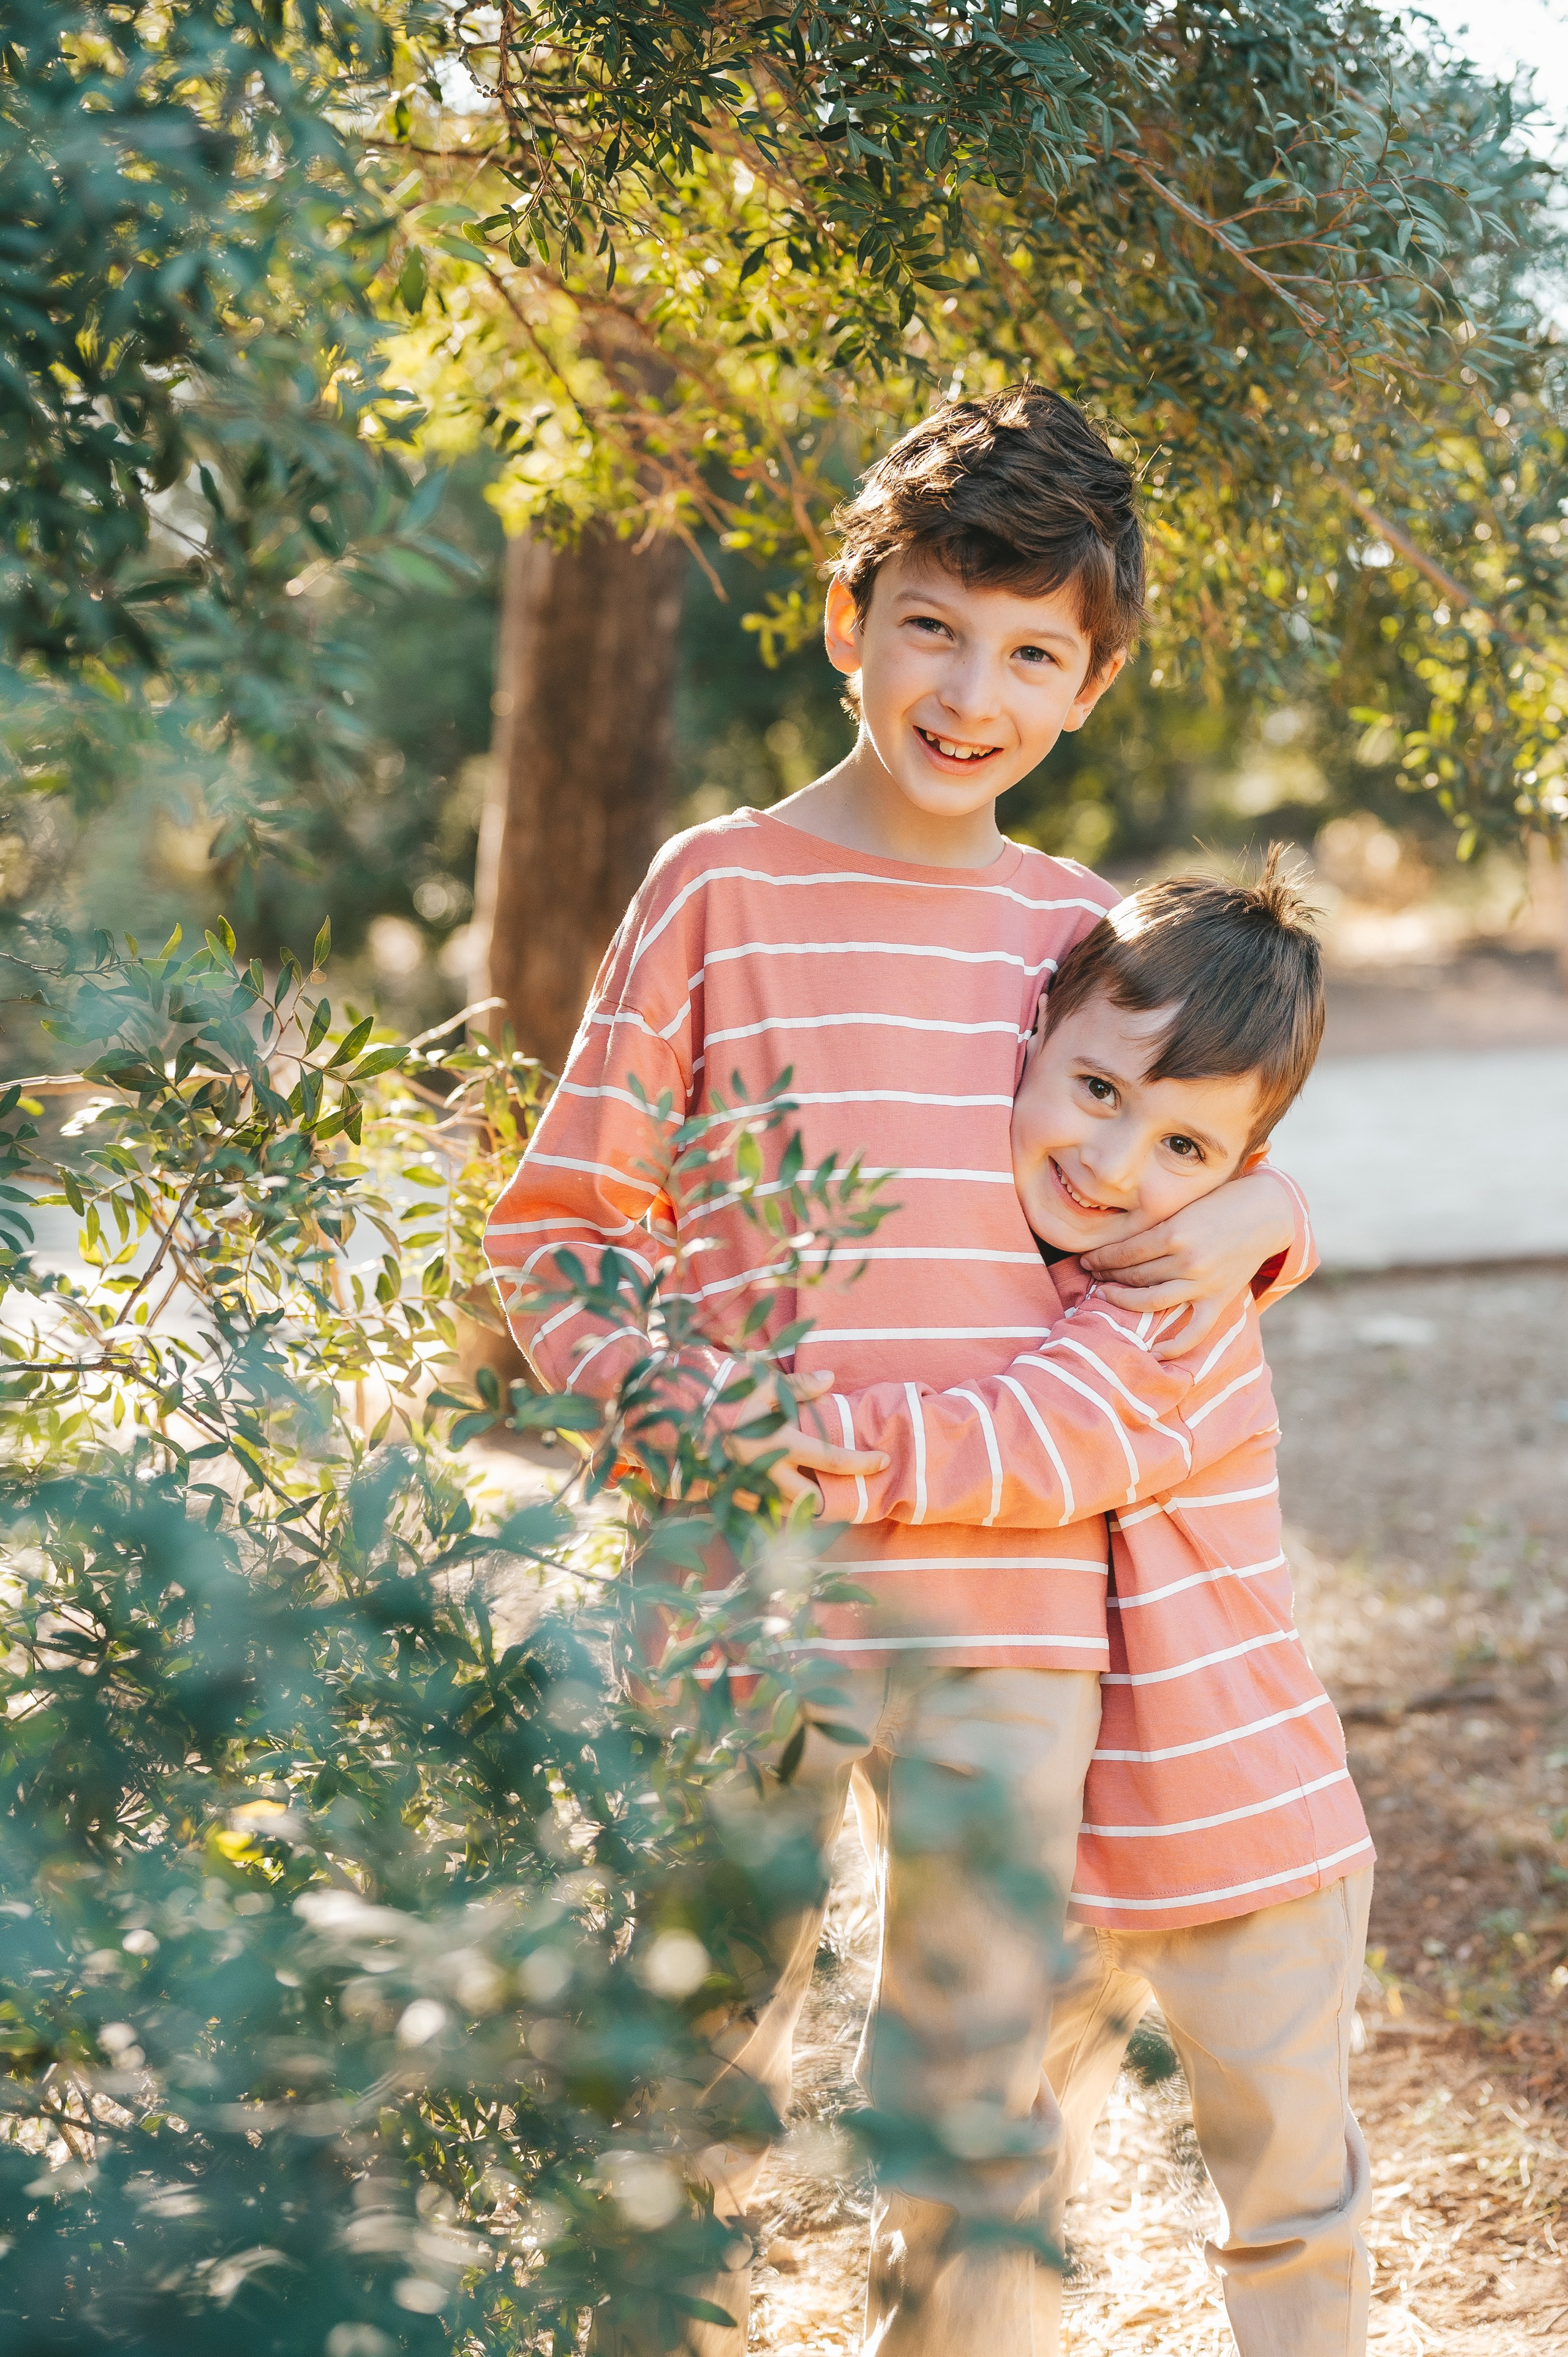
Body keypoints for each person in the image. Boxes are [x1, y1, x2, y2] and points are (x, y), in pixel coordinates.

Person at [482, 383, 1330, 2356]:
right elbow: (559, 1230)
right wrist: (675, 1412)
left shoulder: (1077, 933)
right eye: (936, 625)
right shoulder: (717, 885)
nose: (974, 690)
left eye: (1036, 652)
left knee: (973, 2098)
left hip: (1011, 1612)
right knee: (682, 2048)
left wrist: (1270, 1221)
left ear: (1092, 685)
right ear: (846, 617)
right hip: (738, 1589)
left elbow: (1192, 1171)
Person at [800, 868, 1375, 2355]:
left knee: (1287, 2196)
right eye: (1098, 1090)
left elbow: (1039, 1439)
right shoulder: (1024, 1267)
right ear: (1029, 1046)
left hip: (1244, 1840)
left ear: (1242, 1163)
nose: (1116, 1160)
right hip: (1061, 1848)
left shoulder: (1170, 1303)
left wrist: (823, 1437)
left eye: (1187, 1145)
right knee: (989, 2157)